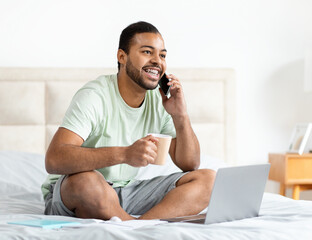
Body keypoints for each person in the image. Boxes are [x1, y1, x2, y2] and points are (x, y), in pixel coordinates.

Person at [41, 21, 216, 221]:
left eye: (163, 55)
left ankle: (137, 227)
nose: (157, 61)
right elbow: (54, 159)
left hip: (127, 191)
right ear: (122, 56)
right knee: (85, 182)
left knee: (209, 180)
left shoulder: (160, 100)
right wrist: (125, 154)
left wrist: (180, 115)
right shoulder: (95, 95)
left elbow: (190, 164)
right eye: (147, 52)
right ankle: (134, 225)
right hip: (74, 190)